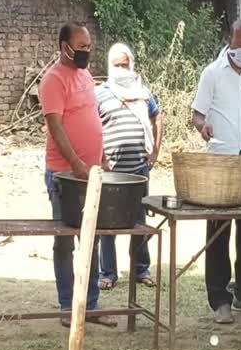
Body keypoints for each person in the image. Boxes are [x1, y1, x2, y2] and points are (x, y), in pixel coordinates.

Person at [191, 19, 241, 324]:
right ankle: (219, 298)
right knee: (219, 230)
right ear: (229, 40)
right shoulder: (211, 74)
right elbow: (197, 115)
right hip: (221, 161)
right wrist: (203, 127)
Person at [40, 22, 116, 328]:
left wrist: (102, 158)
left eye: (88, 47)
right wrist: (75, 162)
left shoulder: (85, 76)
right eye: (80, 47)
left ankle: (91, 304)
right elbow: (55, 126)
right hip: (64, 174)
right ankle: (66, 306)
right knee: (65, 241)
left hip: (92, 172)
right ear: (64, 46)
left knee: (91, 238)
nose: (86, 52)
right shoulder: (53, 81)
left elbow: (92, 118)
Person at [96, 43, 163, 290]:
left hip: (139, 170)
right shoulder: (100, 93)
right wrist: (101, 158)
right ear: (109, 67)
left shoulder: (143, 93)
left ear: (131, 64)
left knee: (139, 220)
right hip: (111, 171)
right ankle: (108, 273)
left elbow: (157, 117)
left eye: (125, 64)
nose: (122, 69)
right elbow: (92, 127)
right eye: (117, 65)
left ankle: (141, 270)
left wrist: (155, 150)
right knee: (107, 221)